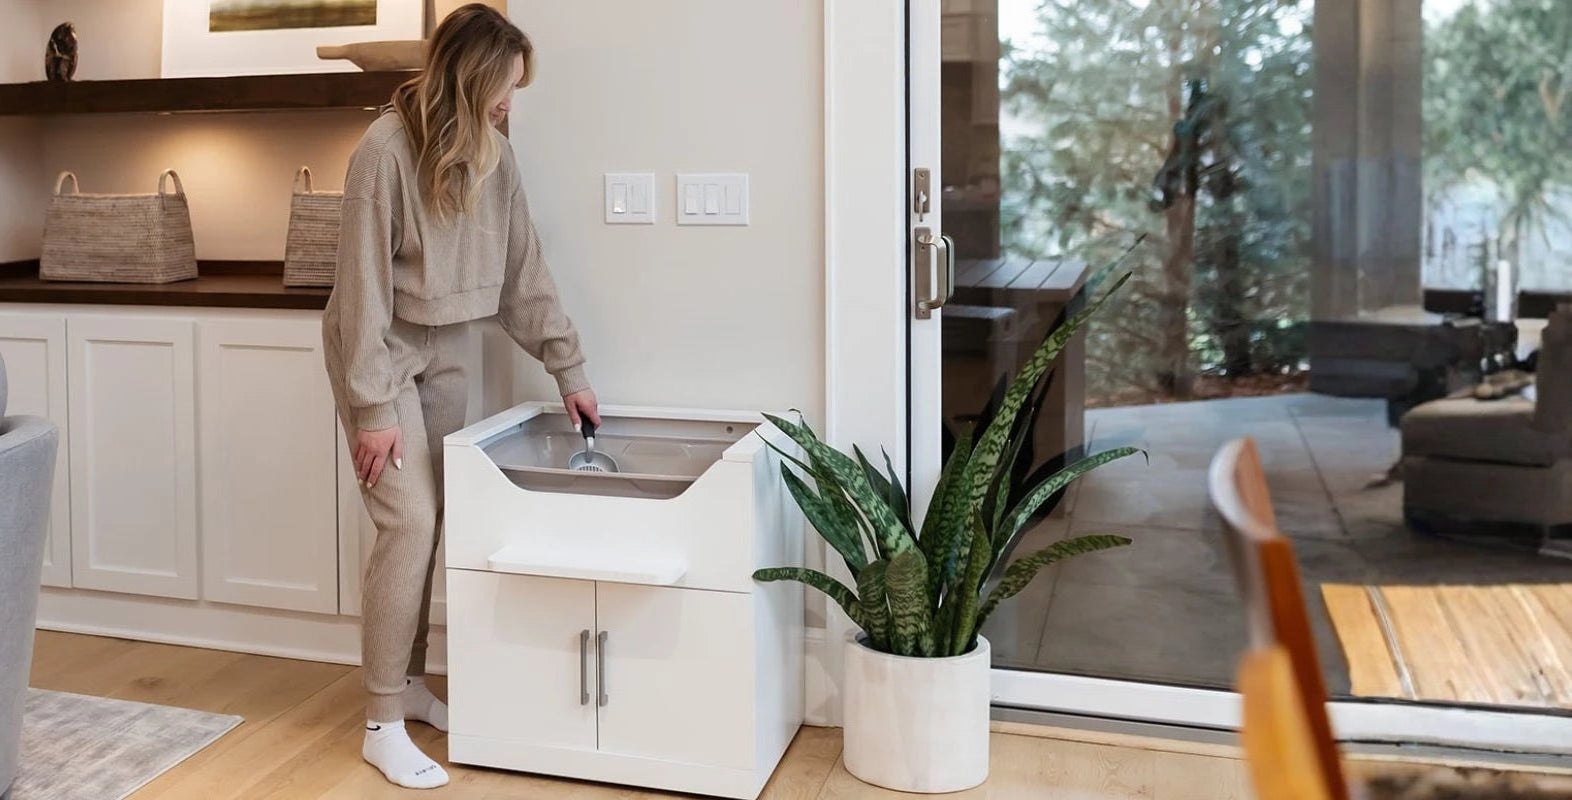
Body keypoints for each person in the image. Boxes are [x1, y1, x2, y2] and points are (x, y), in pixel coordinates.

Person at [319, 4, 598, 789]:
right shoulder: (383, 152)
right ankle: (380, 720)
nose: (514, 101)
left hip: (447, 346)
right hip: (376, 350)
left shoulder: (495, 157)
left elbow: (523, 276)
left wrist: (568, 371)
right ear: (474, 78)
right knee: (406, 520)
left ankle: (407, 682)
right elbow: (364, 292)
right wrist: (371, 409)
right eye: (507, 86)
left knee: (437, 517)